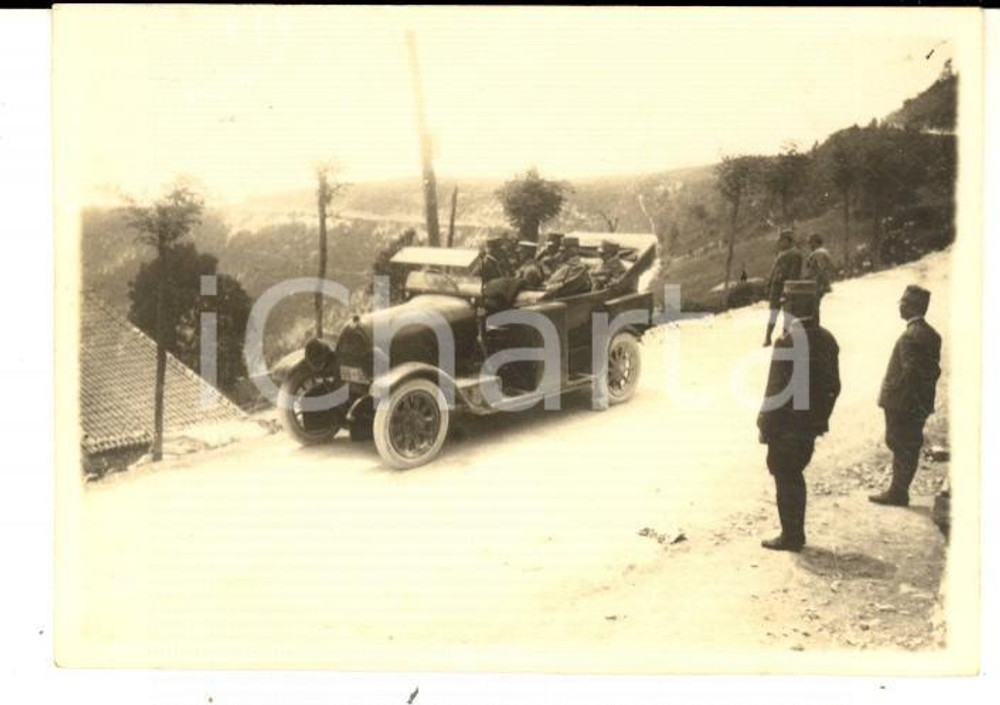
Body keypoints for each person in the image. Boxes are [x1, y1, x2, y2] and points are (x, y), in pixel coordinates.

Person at [757, 280, 841, 552]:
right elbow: (833, 387)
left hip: (785, 429)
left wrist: (764, 426)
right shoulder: (828, 339)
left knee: (785, 477)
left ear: (794, 306)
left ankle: (791, 536)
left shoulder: (788, 341)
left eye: (785, 303)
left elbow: (775, 393)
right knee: (795, 476)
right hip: (808, 428)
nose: (783, 307)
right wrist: (819, 419)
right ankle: (796, 533)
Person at [869, 285, 941, 507]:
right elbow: (933, 370)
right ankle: (899, 490)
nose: (900, 306)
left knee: (898, 442)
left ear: (912, 307)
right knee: (908, 444)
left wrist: (894, 394)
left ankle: (898, 492)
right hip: (920, 402)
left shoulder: (910, 336)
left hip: (902, 403)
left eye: (903, 303)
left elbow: (910, 372)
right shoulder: (933, 335)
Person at [764, 229, 804, 347]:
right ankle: (768, 337)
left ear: (788, 241)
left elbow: (793, 274)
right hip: (776, 288)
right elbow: (774, 271)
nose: (780, 243)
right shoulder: (780, 254)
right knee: (773, 313)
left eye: (782, 241)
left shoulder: (795, 254)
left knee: (788, 313)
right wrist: (769, 284)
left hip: (786, 287)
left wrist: (787, 290)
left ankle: (785, 336)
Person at [804, 233, 835, 315]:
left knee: (813, 306)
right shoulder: (822, 252)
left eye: (810, 242)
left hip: (817, 284)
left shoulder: (818, 253)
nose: (809, 245)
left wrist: (820, 284)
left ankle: (814, 324)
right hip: (818, 284)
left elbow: (821, 270)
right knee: (814, 306)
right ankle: (814, 323)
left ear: (816, 242)